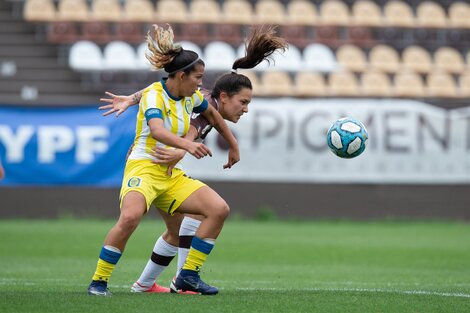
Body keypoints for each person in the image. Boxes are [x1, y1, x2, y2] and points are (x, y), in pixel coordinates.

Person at [99, 25, 287, 294]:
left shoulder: (196, 97)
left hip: (163, 168)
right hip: (149, 165)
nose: (245, 109)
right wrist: (183, 147)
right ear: (224, 97)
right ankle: (179, 281)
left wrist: (131, 99)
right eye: (243, 102)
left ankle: (149, 284)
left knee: (179, 229)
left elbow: (165, 91)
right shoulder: (199, 102)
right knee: (190, 218)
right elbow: (191, 126)